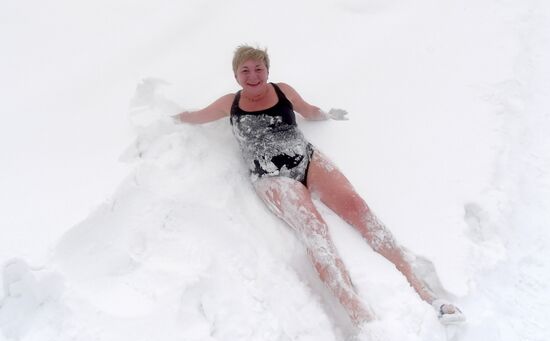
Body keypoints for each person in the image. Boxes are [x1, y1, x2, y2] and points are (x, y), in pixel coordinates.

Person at [173, 45, 465, 326]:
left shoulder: (283, 91)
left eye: (259, 69)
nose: (253, 76)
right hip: (273, 178)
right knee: (316, 233)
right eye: (245, 71)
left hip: (308, 160)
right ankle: (362, 316)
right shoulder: (230, 104)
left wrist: (326, 115)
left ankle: (428, 295)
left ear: (268, 70)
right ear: (236, 76)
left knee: (358, 209)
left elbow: (308, 110)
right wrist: (165, 119)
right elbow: (193, 118)